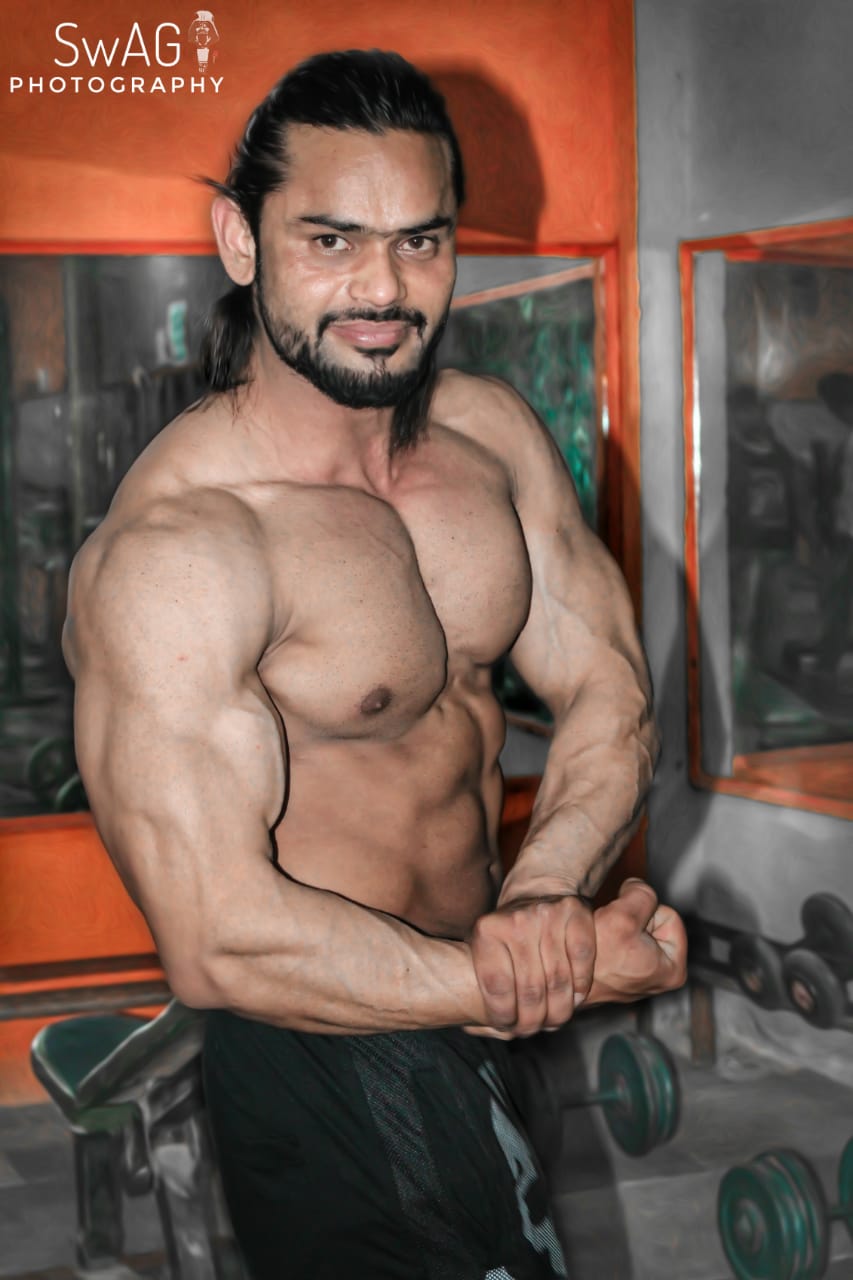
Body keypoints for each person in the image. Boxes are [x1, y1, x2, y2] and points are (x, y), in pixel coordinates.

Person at [63, 50, 686, 1279]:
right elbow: (218, 935)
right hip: (323, 1042)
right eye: (332, 239)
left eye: (420, 241)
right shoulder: (186, 545)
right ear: (240, 242)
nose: (384, 287)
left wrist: (538, 907)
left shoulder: (489, 437)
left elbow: (607, 684)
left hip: (487, 994)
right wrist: (510, 979)